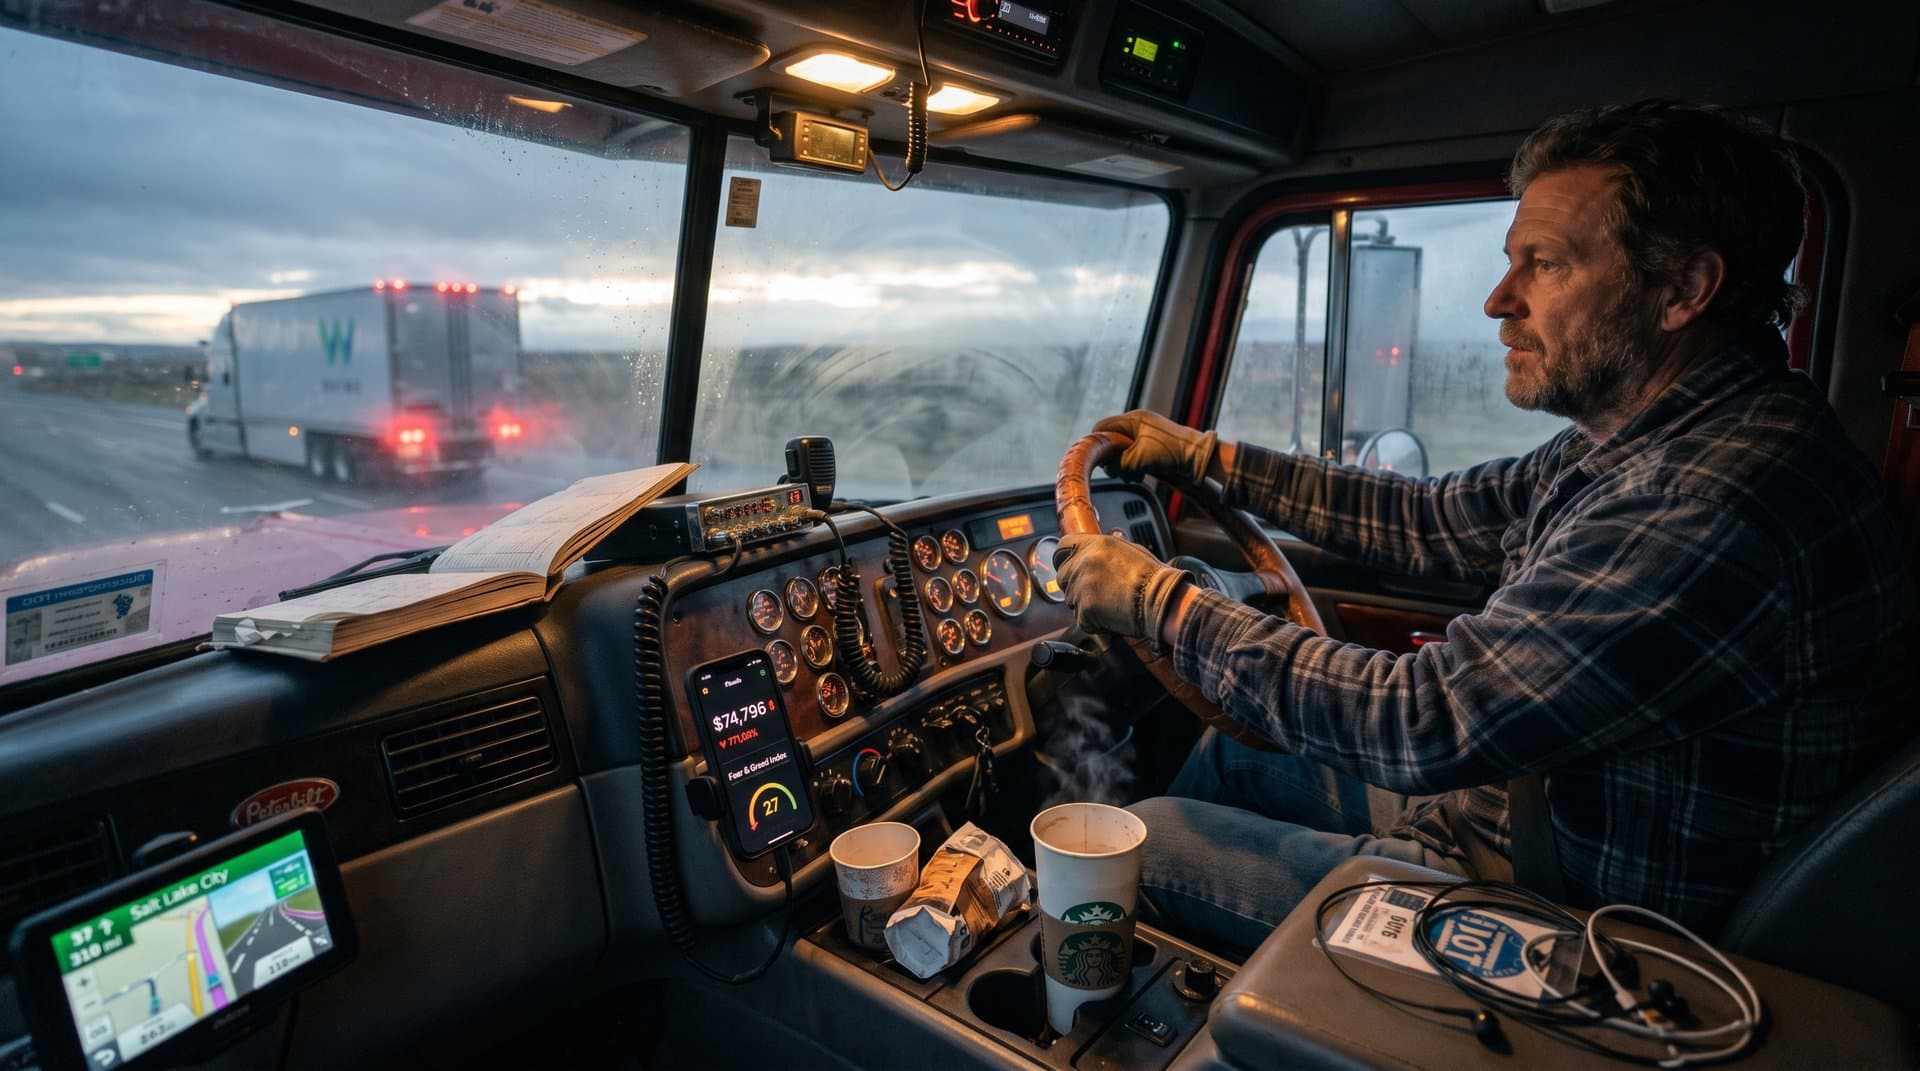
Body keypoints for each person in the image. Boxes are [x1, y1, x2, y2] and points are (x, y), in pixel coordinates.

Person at [1053, 101, 1914, 960]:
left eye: (1545, 265)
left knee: (1143, 841)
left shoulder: (1709, 497)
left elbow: (1423, 719)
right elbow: (1430, 517)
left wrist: (1165, 605)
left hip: (1580, 926)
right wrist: (1211, 458)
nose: (1499, 300)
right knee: (1231, 755)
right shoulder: (1650, 439)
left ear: (1684, 290)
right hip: (1525, 815)